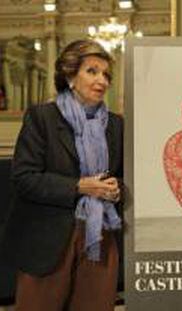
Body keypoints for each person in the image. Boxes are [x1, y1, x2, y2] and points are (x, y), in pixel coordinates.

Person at [1, 39, 123, 311]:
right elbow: (24, 178)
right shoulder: (42, 118)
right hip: (47, 238)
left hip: (100, 237)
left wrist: (117, 189)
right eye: (92, 71)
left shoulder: (116, 125)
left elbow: (124, 179)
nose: (101, 80)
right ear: (69, 76)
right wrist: (79, 186)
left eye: (106, 74)